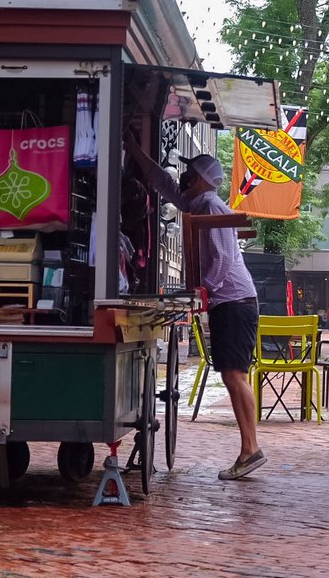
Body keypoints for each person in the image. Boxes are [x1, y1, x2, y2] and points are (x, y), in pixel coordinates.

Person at [125, 140, 265, 480]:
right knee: (233, 375)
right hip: (229, 300)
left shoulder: (211, 207)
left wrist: (201, 293)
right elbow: (164, 184)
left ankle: (251, 449)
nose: (184, 176)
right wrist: (135, 149)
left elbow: (223, 260)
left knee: (235, 375)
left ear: (202, 178)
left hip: (233, 300)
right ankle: (250, 448)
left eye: (190, 172)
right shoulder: (196, 202)